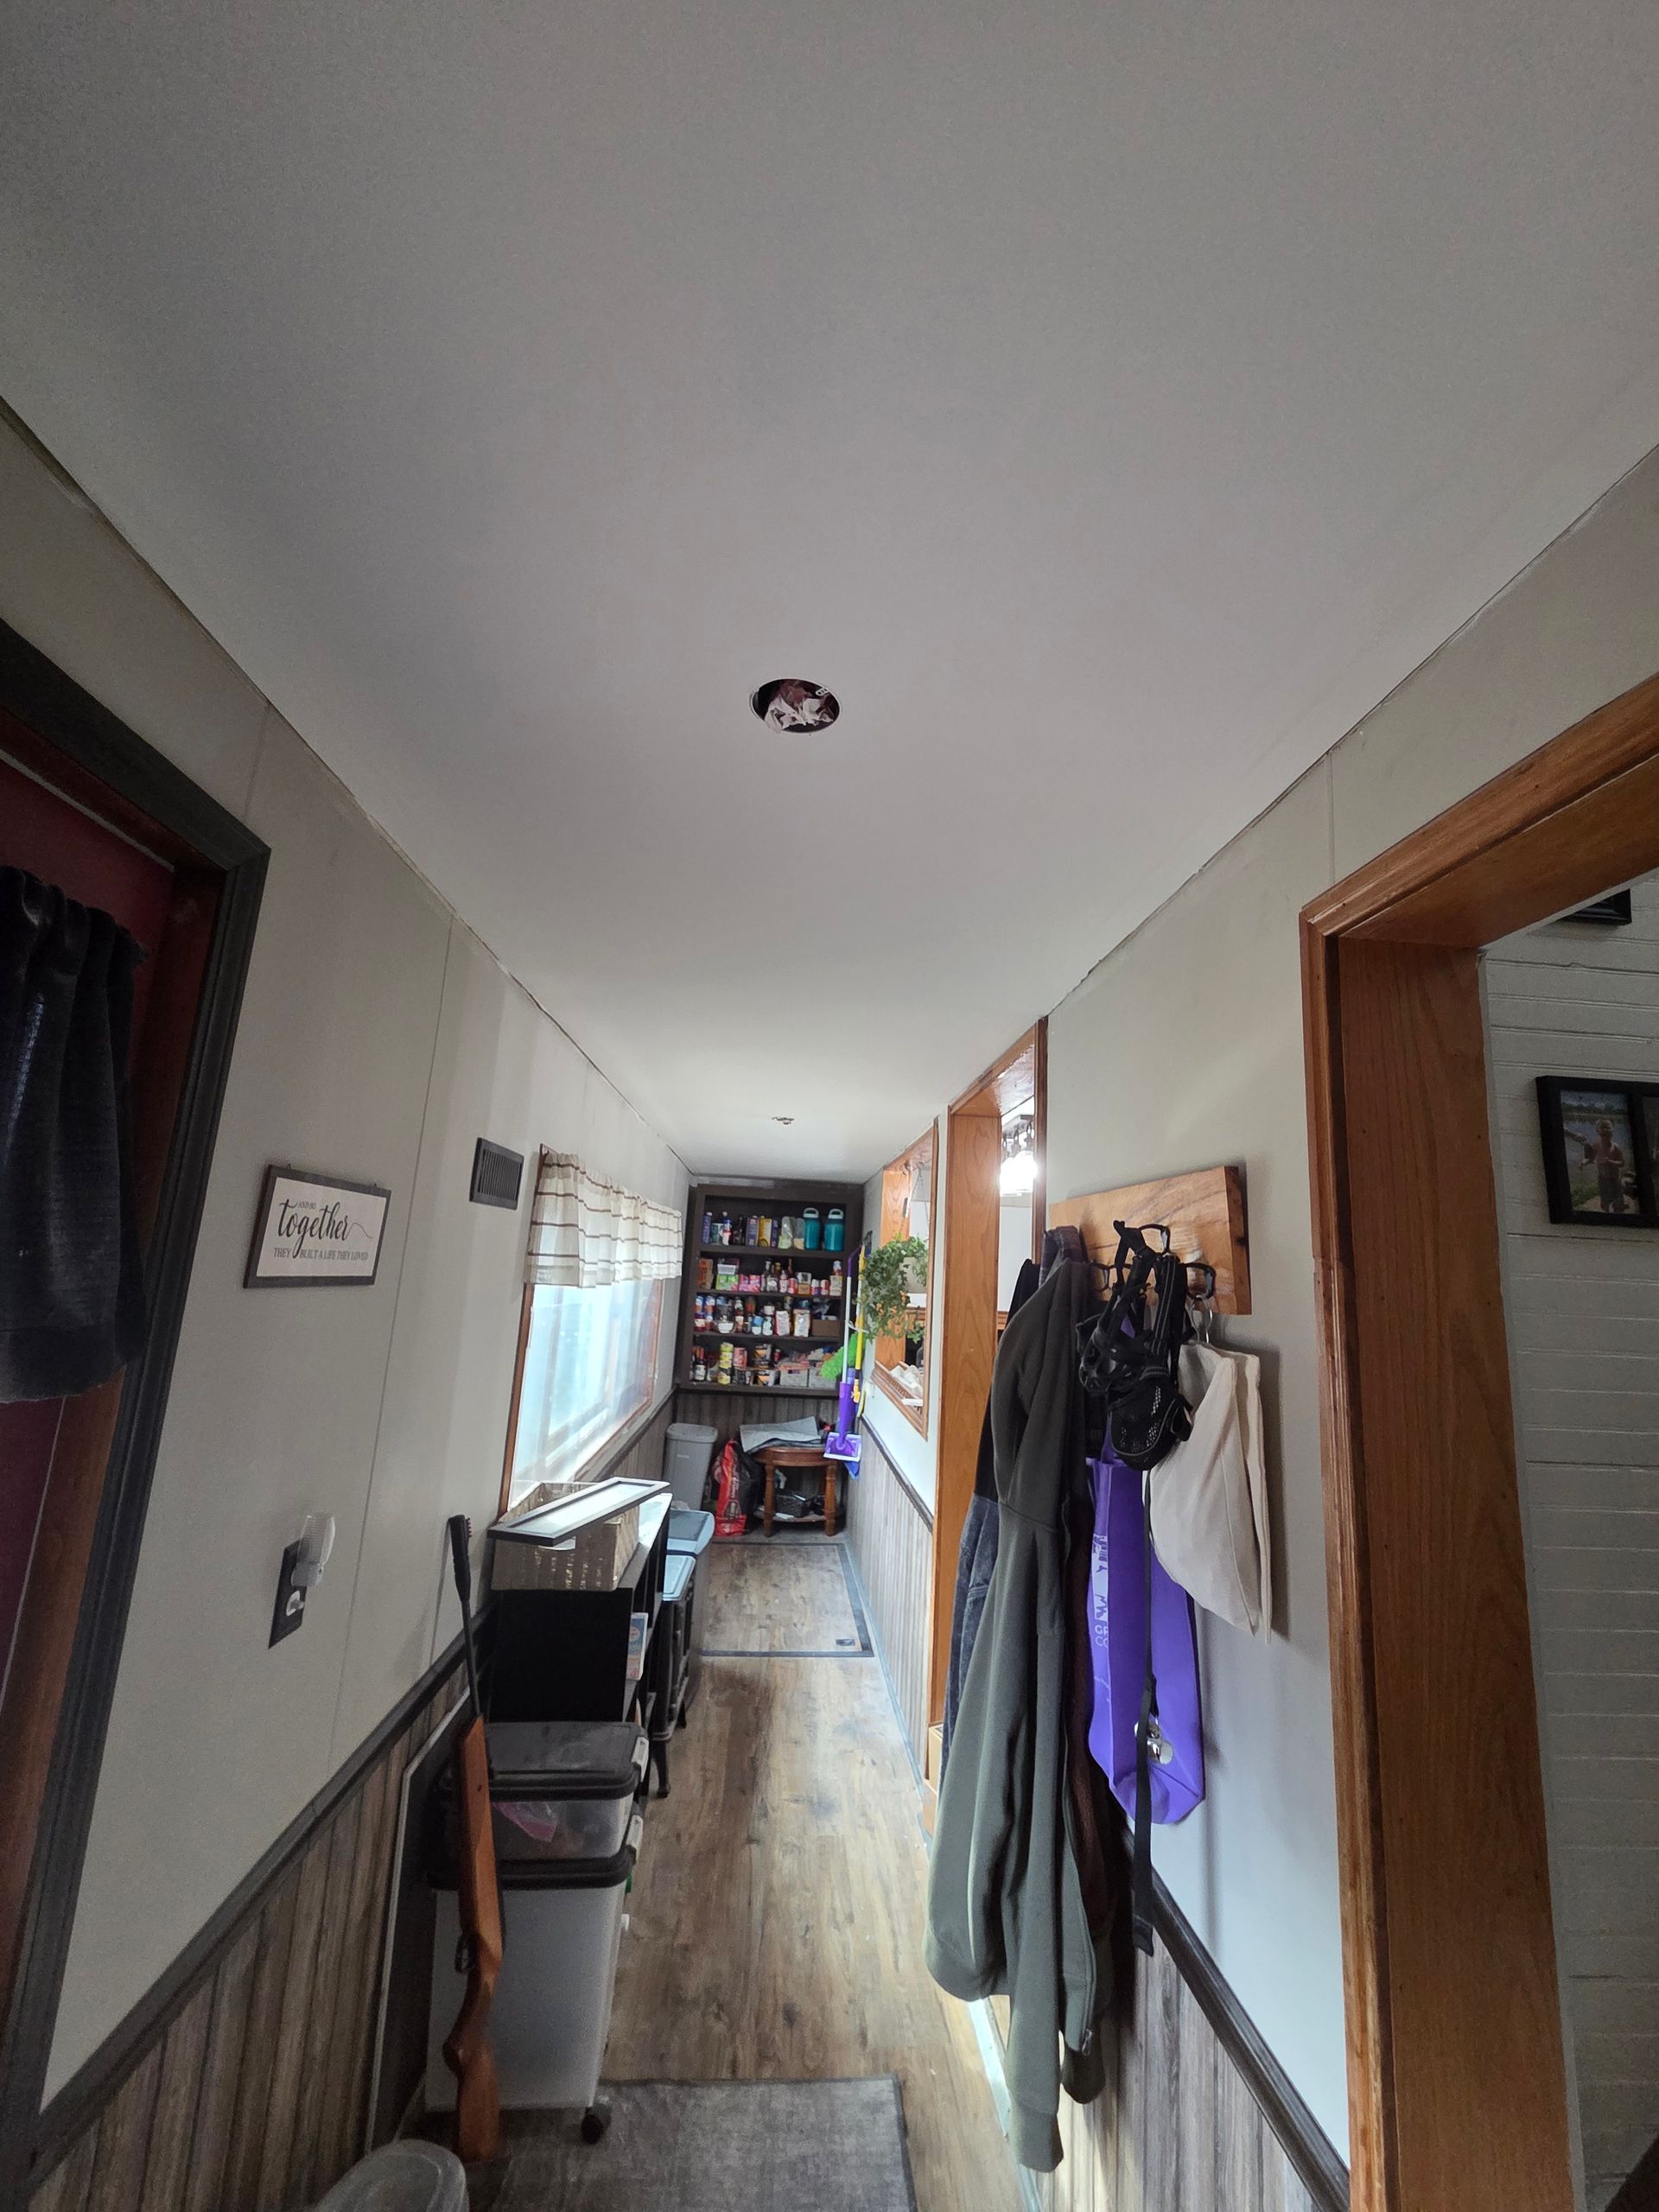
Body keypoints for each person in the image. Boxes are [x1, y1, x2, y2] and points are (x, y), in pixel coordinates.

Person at [1586, 1117, 1629, 1213]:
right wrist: (1586, 1160)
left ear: (1612, 1133)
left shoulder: (1615, 1147)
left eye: (1608, 1129)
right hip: (1603, 1179)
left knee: (1618, 1203)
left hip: (1615, 1179)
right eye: (1603, 1130)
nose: (1606, 1132)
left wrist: (1611, 1162)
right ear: (1598, 1133)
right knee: (1605, 1202)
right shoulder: (1596, 1146)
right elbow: (1590, 1158)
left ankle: (1619, 1213)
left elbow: (1622, 1163)